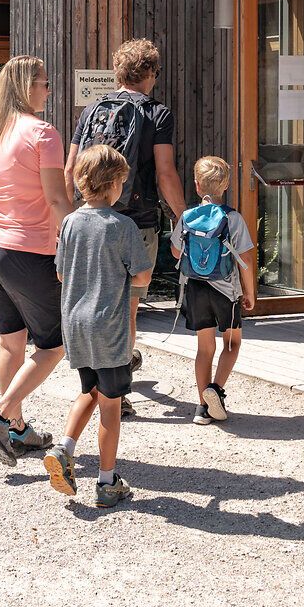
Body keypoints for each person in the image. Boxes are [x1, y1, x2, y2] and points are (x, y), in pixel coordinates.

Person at [67, 38, 186, 407]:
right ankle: (118, 389)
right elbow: (165, 173)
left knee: (92, 298)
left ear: (118, 72)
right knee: (126, 308)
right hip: (137, 220)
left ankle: (97, 380)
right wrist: (184, 219)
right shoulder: (157, 114)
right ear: (149, 73)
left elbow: (71, 168)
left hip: (90, 219)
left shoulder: (92, 110)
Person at [0, 55, 73, 463]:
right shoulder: (44, 135)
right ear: (25, 88)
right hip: (28, 251)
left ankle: (18, 430)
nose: (49, 89)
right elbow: (56, 199)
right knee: (55, 344)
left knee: (11, 345)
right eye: (44, 83)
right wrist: (79, 243)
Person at [42, 144, 152, 508]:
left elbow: (60, 272)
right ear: (114, 185)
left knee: (89, 390)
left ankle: (65, 449)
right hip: (109, 327)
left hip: (75, 324)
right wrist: (132, 286)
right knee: (111, 403)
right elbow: (141, 272)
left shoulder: (70, 222)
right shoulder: (123, 226)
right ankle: (107, 482)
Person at [171, 156, 256, 425]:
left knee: (203, 349)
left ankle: (201, 409)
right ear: (227, 184)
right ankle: (216, 389)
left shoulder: (187, 217)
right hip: (226, 290)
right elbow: (246, 260)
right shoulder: (233, 218)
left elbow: (175, 251)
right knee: (232, 343)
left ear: (196, 185)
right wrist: (249, 291)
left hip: (195, 288)